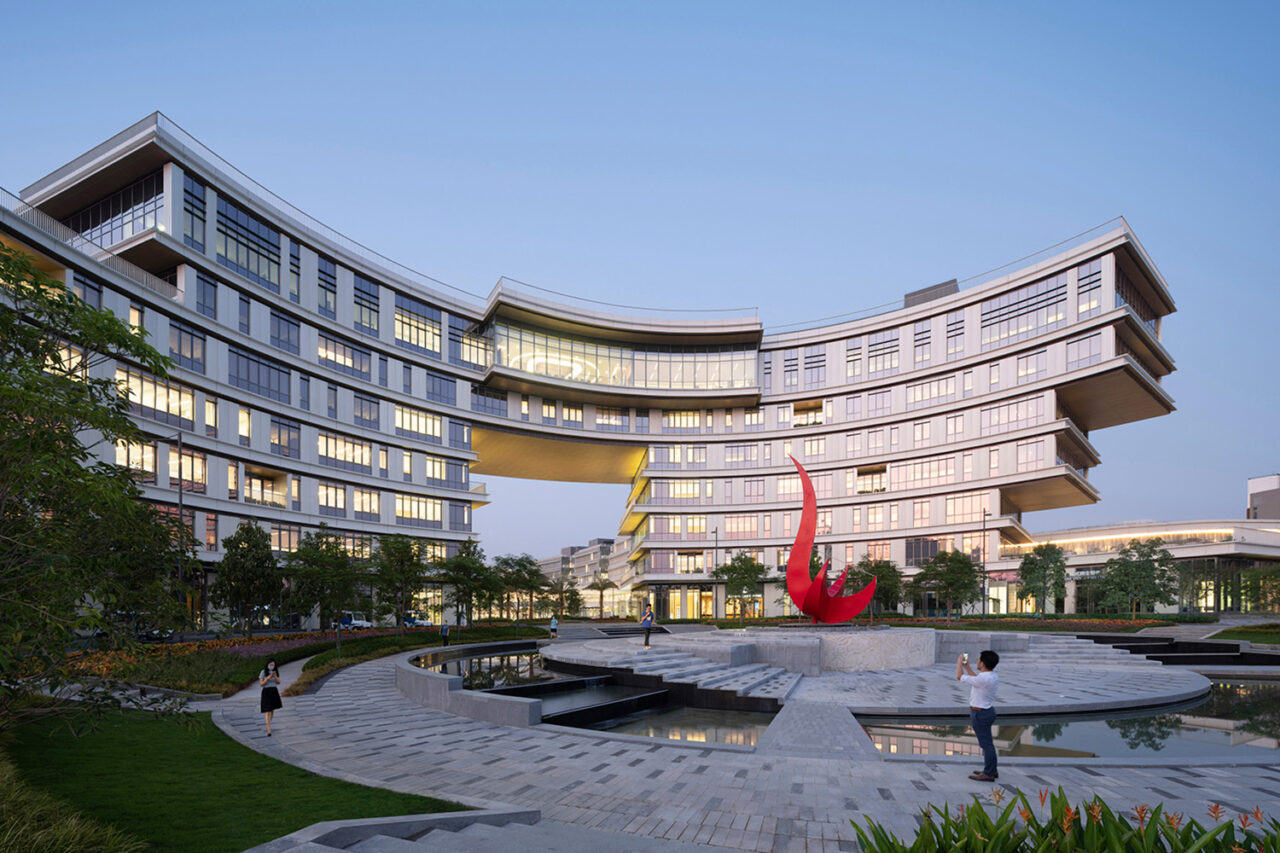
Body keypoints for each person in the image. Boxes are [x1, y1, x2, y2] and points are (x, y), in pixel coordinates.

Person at [956, 649, 1000, 781]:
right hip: (986, 712)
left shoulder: (984, 678)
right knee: (987, 744)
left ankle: (989, 773)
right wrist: (967, 667)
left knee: (986, 745)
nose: (977, 661)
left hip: (980, 713)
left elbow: (959, 676)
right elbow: (976, 679)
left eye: (979, 659)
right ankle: (991, 770)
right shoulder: (990, 676)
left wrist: (959, 663)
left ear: (983, 663)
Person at [259, 658, 282, 736]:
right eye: (270, 665)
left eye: (273, 665)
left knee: (272, 710)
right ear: (267, 665)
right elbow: (261, 684)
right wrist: (267, 678)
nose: (272, 666)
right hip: (266, 692)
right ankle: (269, 730)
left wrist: (275, 676)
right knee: (267, 710)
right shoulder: (263, 672)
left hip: (274, 691)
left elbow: (278, 682)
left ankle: (269, 725)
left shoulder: (275, 672)